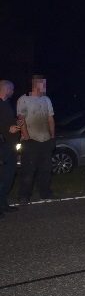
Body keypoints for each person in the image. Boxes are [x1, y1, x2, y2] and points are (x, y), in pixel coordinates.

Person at [16, 75, 55, 203]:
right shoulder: (24, 99)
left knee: (46, 169)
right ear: (35, 84)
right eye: (43, 84)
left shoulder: (46, 99)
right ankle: (24, 196)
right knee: (28, 170)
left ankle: (45, 193)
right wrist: (26, 137)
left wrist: (52, 136)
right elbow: (21, 119)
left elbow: (50, 119)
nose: (45, 86)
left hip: (46, 140)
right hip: (31, 140)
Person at [0, 80, 21, 216]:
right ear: (6, 88)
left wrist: (16, 123)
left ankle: (3, 204)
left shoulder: (6, 104)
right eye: (11, 89)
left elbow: (7, 122)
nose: (13, 91)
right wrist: (8, 130)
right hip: (3, 147)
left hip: (11, 146)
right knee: (3, 177)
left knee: (9, 177)